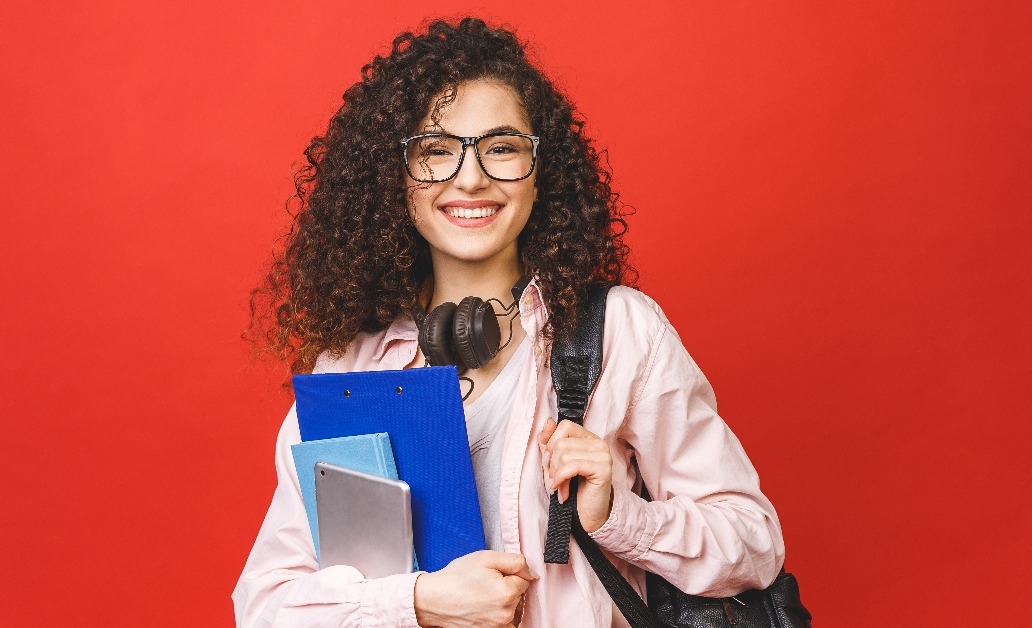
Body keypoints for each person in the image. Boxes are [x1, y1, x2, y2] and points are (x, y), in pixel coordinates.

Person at [233, 17, 785, 628]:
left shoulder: (620, 333)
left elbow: (755, 543)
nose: (471, 178)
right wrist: (416, 603)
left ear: (540, 169)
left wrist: (616, 516)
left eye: (500, 148)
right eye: (436, 151)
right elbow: (264, 604)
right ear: (395, 177)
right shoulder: (349, 369)